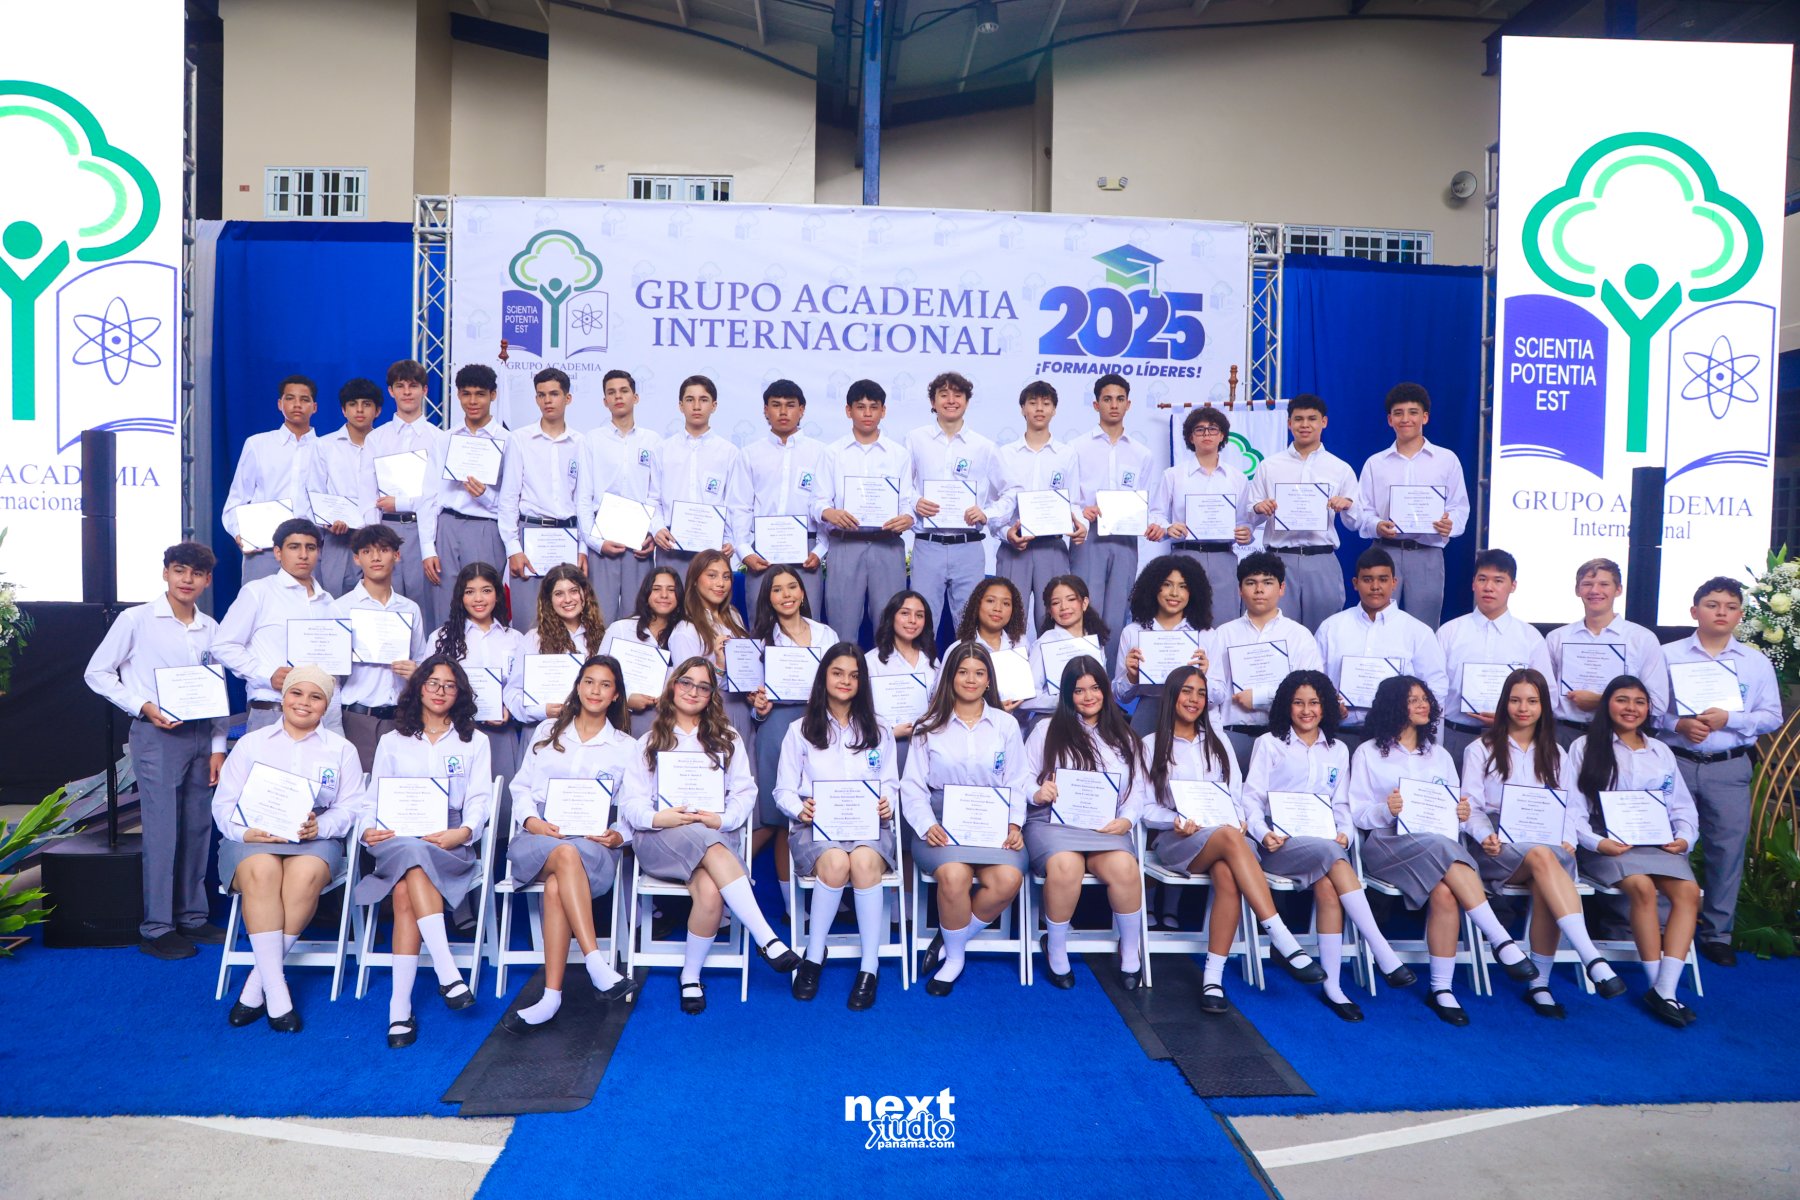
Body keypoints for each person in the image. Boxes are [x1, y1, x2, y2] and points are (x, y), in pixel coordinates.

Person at [1350, 675, 1538, 1026]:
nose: (1424, 705)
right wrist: (1386, 809)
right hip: (1387, 844)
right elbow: (1358, 814)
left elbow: (1455, 814)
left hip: (1436, 848)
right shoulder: (1369, 752)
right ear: (1393, 706)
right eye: (1413, 700)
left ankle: (1441, 988)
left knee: (1446, 892)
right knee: (1442, 846)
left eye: (1425, 699)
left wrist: (1462, 815)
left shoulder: (1439, 755)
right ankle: (1500, 938)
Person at [619, 657, 802, 1013]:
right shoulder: (648, 741)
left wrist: (723, 819)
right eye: (686, 683)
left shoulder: (727, 738)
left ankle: (690, 976)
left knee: (710, 890)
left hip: (712, 839)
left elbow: (745, 792)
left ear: (711, 696)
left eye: (703, 687)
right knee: (708, 844)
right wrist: (659, 817)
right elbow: (630, 803)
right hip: (659, 840)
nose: (693, 692)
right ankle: (766, 937)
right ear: (674, 686)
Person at [1144, 665, 1326, 1012]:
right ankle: (1281, 936)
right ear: (1172, 696)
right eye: (1186, 691)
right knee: (1229, 839)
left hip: (1224, 839)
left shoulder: (1218, 741)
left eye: (1201, 693)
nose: (1194, 699)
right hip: (1177, 841)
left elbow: (1237, 795)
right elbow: (1143, 806)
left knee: (1228, 873)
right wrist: (1174, 820)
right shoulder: (1150, 744)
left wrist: (1241, 819)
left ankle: (1212, 980)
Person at [1242, 671, 1415, 1021]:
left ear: (1325, 707)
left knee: (1329, 887)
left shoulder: (1338, 750)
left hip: (1323, 847)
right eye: (1298, 703)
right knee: (1333, 858)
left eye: (1314, 703)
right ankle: (1381, 948)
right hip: (1279, 846)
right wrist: (1262, 834)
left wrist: (1345, 834)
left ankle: (1333, 986)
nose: (1306, 710)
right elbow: (1251, 799)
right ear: (1286, 705)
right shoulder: (1270, 743)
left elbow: (1342, 805)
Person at [84, 541, 228, 959]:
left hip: (201, 734)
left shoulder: (211, 627)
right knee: (164, 831)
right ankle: (157, 926)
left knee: (198, 828)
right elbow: (97, 672)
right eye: (179, 570)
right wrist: (142, 704)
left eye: (196, 574)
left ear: (207, 580)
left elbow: (215, 687)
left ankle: (192, 916)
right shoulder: (136, 620)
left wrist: (218, 746)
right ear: (166, 573)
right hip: (157, 735)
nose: (187, 580)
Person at [1462, 668, 1626, 1017]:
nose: (1523, 708)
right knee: (1542, 859)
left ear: (1543, 706)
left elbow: (1571, 808)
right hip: (1498, 846)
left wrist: (1568, 839)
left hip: (1547, 845)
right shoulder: (1480, 749)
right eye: (1516, 700)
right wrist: (1483, 835)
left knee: (1545, 869)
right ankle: (1591, 956)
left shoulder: (1556, 753)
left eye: (1532, 701)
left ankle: (1540, 984)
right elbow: (1470, 807)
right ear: (1504, 703)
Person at [211, 666, 366, 1032]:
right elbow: (223, 804)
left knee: (305, 874)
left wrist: (321, 827)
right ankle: (278, 993)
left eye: (316, 697)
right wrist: (246, 833)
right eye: (297, 693)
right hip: (252, 839)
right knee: (263, 870)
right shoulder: (252, 743)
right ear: (283, 697)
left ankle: (256, 985)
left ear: (326, 705)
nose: (304, 703)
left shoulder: (341, 750)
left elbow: (352, 807)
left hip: (312, 839)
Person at [503, 654, 642, 1033]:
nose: (595, 691)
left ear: (616, 695)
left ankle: (551, 998)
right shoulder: (547, 730)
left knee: (556, 886)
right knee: (564, 853)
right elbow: (521, 787)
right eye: (589, 681)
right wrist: (531, 820)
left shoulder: (625, 747)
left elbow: (633, 804)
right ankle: (596, 964)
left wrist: (619, 834)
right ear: (578, 686)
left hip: (593, 845)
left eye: (605, 685)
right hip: (539, 838)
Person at [361, 657, 491, 1047]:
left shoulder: (475, 741)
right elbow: (373, 799)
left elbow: (479, 800)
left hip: (446, 839)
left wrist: (464, 832)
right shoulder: (392, 740)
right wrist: (368, 829)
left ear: (459, 693)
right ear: (419, 687)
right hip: (397, 836)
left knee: (406, 890)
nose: (440, 691)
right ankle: (447, 973)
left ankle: (399, 1008)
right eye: (432, 682)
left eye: (449, 685)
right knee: (412, 854)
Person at [1565, 675, 1704, 1027]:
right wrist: (1597, 842)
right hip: (1607, 844)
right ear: (1607, 704)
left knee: (1689, 893)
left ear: (1648, 708)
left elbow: (1681, 806)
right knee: (1641, 888)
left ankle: (1665, 989)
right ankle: (1660, 987)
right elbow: (1572, 811)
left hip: (1657, 843)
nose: (1631, 708)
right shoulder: (1584, 747)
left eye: (1639, 702)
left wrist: (1684, 838)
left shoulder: (1660, 750)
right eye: (1622, 700)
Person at [1659, 576, 1782, 968]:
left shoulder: (1755, 662)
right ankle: (1660, 926)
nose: (1721, 613)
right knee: (1666, 844)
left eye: (1730, 607)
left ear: (1740, 615)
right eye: (1712, 605)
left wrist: (1731, 718)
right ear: (1694, 611)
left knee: (1726, 851)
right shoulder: (1667, 655)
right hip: (1676, 761)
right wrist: (1678, 724)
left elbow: (1772, 716)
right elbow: (1647, 708)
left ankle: (1716, 934)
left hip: (1729, 765)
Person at [775, 642, 900, 1009]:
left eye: (854, 675)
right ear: (824, 677)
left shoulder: (880, 729)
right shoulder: (799, 730)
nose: (846, 681)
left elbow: (891, 783)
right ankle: (814, 956)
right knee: (835, 863)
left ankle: (869, 967)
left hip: (869, 827)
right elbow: (782, 790)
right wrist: (800, 809)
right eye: (838, 673)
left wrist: (886, 802)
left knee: (862, 863)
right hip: (815, 827)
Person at [900, 642, 1028, 996]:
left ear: (989, 680)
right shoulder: (928, 726)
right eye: (963, 672)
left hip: (994, 823)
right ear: (950, 677)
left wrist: (1014, 824)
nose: (971, 680)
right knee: (954, 875)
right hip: (941, 824)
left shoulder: (1006, 725)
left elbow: (1018, 781)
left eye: (979, 673)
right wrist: (927, 825)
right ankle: (955, 958)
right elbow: (912, 787)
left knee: (1008, 879)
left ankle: (949, 938)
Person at [1024, 655, 1148, 989]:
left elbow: (1138, 790)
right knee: (1066, 867)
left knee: (1125, 869)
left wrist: (1127, 820)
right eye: (1078, 690)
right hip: (1053, 824)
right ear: (1067, 695)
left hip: (1106, 826)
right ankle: (1056, 947)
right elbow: (1022, 777)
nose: (1088, 696)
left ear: (1105, 690)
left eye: (1094, 688)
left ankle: (1130, 950)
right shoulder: (1045, 730)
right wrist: (1038, 791)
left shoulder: (1125, 736)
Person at [747, 564, 836, 909]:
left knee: (822, 807)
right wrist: (759, 708)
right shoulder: (760, 642)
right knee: (781, 819)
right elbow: (754, 705)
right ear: (768, 598)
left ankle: (830, 888)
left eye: (792, 587)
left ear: (802, 592)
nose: (786, 595)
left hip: (822, 726)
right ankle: (791, 907)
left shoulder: (825, 634)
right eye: (777, 589)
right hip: (777, 727)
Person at [1352, 382, 1470, 628]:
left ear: (1425, 417)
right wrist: (1377, 525)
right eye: (1398, 413)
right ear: (1390, 420)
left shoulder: (1446, 460)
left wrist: (1450, 524)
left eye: (1413, 412)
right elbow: (1363, 510)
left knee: (1424, 627)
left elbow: (1460, 507)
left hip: (1428, 554)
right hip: (1384, 552)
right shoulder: (1375, 463)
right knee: (1378, 622)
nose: (1405, 419)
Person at [213, 518, 341, 733]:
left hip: (324, 718)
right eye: (294, 547)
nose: (303, 555)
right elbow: (222, 645)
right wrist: (266, 675)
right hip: (272, 710)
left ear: (318, 552)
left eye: (310, 548)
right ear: (278, 552)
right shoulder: (258, 592)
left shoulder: (328, 602)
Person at [1315, 547, 1447, 751]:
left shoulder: (1417, 632)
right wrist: (1329, 704)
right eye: (1367, 579)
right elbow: (1315, 680)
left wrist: (1411, 720)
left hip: (1396, 741)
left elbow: (1436, 687)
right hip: (1338, 736)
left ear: (1394, 582)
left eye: (1383, 579)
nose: (1375, 586)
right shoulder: (1331, 628)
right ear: (1355, 583)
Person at [1246, 394, 1358, 632]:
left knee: (1325, 631)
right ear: (1289, 423)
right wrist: (1258, 508)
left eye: (1312, 419)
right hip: (1279, 560)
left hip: (1321, 560)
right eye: (1298, 419)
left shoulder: (1340, 468)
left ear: (1324, 422)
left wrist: (1347, 505)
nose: (1304, 425)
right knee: (1277, 631)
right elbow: (1250, 516)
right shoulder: (1269, 466)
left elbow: (1355, 523)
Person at [818, 379, 916, 645]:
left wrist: (908, 517)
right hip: (845, 545)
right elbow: (818, 500)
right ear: (848, 410)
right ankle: (842, 672)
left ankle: (888, 672)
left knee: (890, 626)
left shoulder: (899, 454)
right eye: (860, 407)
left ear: (883, 411)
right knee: (842, 625)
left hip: (887, 546)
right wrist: (828, 512)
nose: (867, 413)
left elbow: (908, 501)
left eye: (874, 407)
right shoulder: (832, 453)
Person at [906, 372, 1001, 644]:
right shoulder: (915, 439)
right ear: (933, 401)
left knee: (970, 623)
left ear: (967, 401)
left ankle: (969, 671)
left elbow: (1007, 494)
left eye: (958, 395)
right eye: (944, 395)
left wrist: (986, 513)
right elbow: (902, 486)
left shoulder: (984, 447)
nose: (951, 400)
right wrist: (915, 501)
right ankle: (922, 670)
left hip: (968, 546)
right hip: (928, 545)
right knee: (920, 620)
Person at [1209, 551, 1323, 770]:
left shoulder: (1299, 636)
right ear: (1240, 589)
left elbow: (1311, 692)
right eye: (1251, 583)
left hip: (1284, 740)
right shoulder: (1223, 634)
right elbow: (1213, 693)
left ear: (1282, 588)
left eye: (1268, 582)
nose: (1259, 590)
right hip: (1231, 737)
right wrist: (1216, 739)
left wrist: (1260, 697)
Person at [1436, 548, 1553, 761]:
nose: (1488, 587)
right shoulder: (1449, 632)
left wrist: (1509, 716)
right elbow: (1433, 690)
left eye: (1498, 580)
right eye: (1482, 579)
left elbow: (1547, 694)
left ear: (1513, 586)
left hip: (1511, 740)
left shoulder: (1530, 637)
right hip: (1456, 737)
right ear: (1473, 583)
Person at [1070, 374, 1156, 666]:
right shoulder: (1076, 448)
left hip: (1125, 539)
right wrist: (1082, 511)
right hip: (1089, 538)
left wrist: (1150, 522)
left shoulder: (1142, 454)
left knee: (1118, 613)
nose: (1114, 405)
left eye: (1120, 399)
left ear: (1129, 404)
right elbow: (1069, 498)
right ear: (1096, 404)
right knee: (1084, 609)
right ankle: (1082, 678)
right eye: (1107, 399)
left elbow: (1147, 502)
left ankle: (1109, 685)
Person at [420, 364, 511, 631]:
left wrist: (485, 496)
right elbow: (429, 495)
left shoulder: (507, 440)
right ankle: (445, 655)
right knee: (444, 602)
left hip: (486, 527)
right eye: (466, 394)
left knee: (484, 601)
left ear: (493, 395)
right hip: (447, 526)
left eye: (480, 394)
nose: (473, 401)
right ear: (458, 395)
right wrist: (428, 547)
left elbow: (511, 501)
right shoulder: (445, 439)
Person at [1545, 557, 1669, 746]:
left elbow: (1658, 704)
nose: (1595, 591)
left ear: (1618, 590)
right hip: (1563, 736)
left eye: (1604, 584)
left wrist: (1602, 701)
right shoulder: (1556, 638)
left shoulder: (1642, 639)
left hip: (1620, 736)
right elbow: (1543, 695)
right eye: (1587, 584)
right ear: (1577, 590)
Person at [333, 524, 428, 770]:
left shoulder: (410, 608)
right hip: (356, 717)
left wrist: (416, 672)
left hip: (400, 717)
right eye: (367, 551)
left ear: (397, 555)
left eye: (384, 550)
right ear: (357, 559)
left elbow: (422, 661)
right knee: (358, 787)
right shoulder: (341, 608)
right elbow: (330, 675)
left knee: (400, 788)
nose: (376, 558)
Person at [498, 367, 586, 633]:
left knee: (568, 620)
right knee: (529, 622)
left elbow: (584, 500)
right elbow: (508, 498)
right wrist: (513, 548)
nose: (548, 400)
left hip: (568, 537)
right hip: (530, 537)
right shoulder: (520, 439)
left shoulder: (581, 442)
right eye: (541, 395)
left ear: (568, 398)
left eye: (554, 394)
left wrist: (583, 547)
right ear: (536, 399)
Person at [992, 380, 1081, 632]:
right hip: (1014, 548)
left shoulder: (1066, 454)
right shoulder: (1004, 454)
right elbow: (994, 507)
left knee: (1055, 621)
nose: (1039, 409)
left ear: (1054, 410)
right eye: (1032, 403)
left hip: (1052, 548)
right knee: (1008, 621)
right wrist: (1006, 533)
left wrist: (1080, 525)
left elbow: (1074, 501)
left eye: (1046, 403)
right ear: (1022, 409)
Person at [1149, 405, 1253, 621]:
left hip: (1223, 557)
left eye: (1213, 429)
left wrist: (1247, 533)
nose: (1207, 434)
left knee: (1224, 622)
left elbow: (1246, 521)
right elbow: (1155, 514)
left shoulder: (1237, 478)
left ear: (1222, 435)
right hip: (1185, 556)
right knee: (1181, 621)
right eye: (1200, 429)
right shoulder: (1173, 475)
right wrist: (1168, 528)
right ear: (1190, 437)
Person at [433, 561, 527, 787]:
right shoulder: (441, 637)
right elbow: (431, 687)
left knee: (504, 796)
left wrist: (509, 708)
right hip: (455, 731)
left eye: (486, 590)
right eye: (469, 592)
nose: (478, 599)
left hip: (502, 733)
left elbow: (523, 686)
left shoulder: (515, 639)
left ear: (497, 594)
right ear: (460, 596)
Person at [578, 368, 662, 622]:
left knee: (639, 616)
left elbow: (656, 495)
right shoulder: (592, 440)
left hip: (640, 542)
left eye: (624, 391)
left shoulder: (653, 441)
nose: (618, 396)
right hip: (603, 540)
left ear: (635, 397)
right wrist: (595, 542)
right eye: (611, 392)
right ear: (605, 401)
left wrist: (653, 534)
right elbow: (583, 498)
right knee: (599, 617)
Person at [360, 360, 443, 612]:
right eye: (400, 386)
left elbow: (438, 496)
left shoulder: (439, 439)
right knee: (384, 604)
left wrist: (402, 503)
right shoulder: (376, 438)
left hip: (426, 530)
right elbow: (367, 493)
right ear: (391, 391)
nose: (407, 392)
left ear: (425, 390)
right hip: (386, 529)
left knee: (426, 605)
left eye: (413, 386)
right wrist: (373, 539)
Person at [741, 379, 830, 616]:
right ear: (765, 410)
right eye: (776, 405)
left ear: (802, 409)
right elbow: (740, 506)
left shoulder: (822, 453)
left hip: (807, 553)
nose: (783, 412)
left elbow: (827, 505)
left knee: (807, 625)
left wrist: (820, 550)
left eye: (790, 405)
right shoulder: (750, 454)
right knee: (761, 625)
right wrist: (745, 551)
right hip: (761, 553)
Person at [222, 374, 318, 586]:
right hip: (264, 547)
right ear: (279, 404)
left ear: (314, 407)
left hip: (310, 548)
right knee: (259, 603)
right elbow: (236, 499)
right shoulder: (258, 445)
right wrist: (240, 533)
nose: (297, 405)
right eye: (290, 398)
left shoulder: (325, 449)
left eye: (304, 400)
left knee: (308, 605)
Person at [652, 374, 749, 575]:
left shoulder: (729, 452)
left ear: (714, 406)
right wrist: (657, 528)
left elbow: (735, 503)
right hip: (670, 545)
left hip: (713, 548)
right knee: (671, 595)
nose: (696, 406)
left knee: (711, 596)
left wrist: (731, 540)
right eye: (690, 400)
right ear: (681, 406)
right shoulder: (663, 449)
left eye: (703, 400)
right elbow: (653, 498)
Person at [667, 548, 756, 756]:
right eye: (712, 575)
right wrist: (719, 666)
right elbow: (686, 689)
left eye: (726, 577)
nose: (721, 583)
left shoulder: (733, 616)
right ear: (695, 580)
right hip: (710, 714)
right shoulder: (685, 630)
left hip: (742, 709)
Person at [504, 563, 606, 739]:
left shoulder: (603, 637)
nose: (568, 599)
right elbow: (512, 693)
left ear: (585, 593)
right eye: (559, 594)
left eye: (574, 591)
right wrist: (542, 710)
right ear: (548, 600)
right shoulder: (534, 639)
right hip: (544, 733)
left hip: (591, 733)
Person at [299, 377, 380, 595]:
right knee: (335, 600)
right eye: (353, 404)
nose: (359, 410)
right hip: (339, 538)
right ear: (344, 410)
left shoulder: (386, 445)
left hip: (378, 537)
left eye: (366, 404)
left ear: (378, 411)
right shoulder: (324, 446)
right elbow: (313, 493)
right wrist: (326, 521)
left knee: (379, 600)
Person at [1114, 556, 1213, 735]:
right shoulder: (1132, 632)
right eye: (1167, 584)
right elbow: (1120, 695)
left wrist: (1203, 678)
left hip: (1193, 715)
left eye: (1183, 586)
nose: (1174, 593)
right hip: (1148, 713)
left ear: (1193, 591)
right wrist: (1132, 677)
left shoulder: (1206, 634)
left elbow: (1219, 695)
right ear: (1153, 587)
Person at [598, 565, 682, 735]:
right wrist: (626, 699)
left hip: (673, 723)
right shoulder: (620, 629)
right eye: (656, 589)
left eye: (671, 590)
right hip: (624, 722)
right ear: (646, 594)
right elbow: (598, 677)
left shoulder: (685, 633)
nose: (664, 595)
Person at [869, 589, 939, 772]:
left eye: (919, 615)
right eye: (905, 613)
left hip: (928, 744)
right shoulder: (871, 661)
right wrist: (891, 732)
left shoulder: (932, 661)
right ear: (891, 616)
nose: (912, 620)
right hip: (886, 745)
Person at [941, 575, 1033, 714]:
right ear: (977, 604)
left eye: (1006, 603)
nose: (998, 608)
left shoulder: (1022, 643)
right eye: (990, 601)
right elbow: (943, 698)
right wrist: (992, 708)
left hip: (1019, 724)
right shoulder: (958, 648)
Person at [1025, 574, 1109, 726]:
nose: (1064, 607)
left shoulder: (1095, 642)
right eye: (1056, 602)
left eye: (1071, 599)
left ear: (1084, 603)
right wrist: (1065, 700)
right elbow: (1026, 698)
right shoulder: (1044, 643)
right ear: (1049, 610)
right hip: (1054, 722)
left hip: (1093, 723)